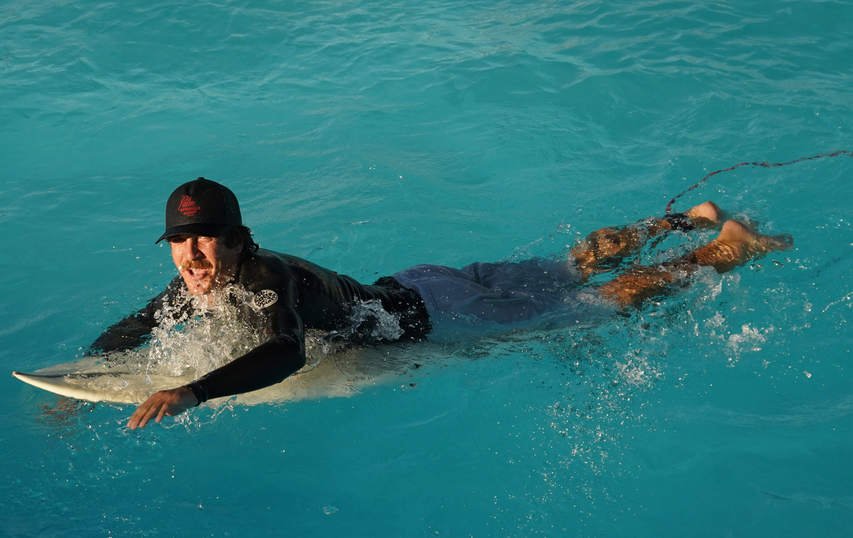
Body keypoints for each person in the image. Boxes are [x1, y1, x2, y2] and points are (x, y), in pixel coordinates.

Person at [90, 178, 792, 429]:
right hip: (418, 280)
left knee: (592, 304)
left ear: (239, 239)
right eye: (180, 243)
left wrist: (193, 390)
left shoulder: (266, 280)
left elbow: (284, 350)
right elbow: (143, 321)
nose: (192, 256)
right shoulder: (204, 279)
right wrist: (87, 371)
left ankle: (722, 248)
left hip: (437, 317)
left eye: (205, 239)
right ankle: (683, 217)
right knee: (565, 265)